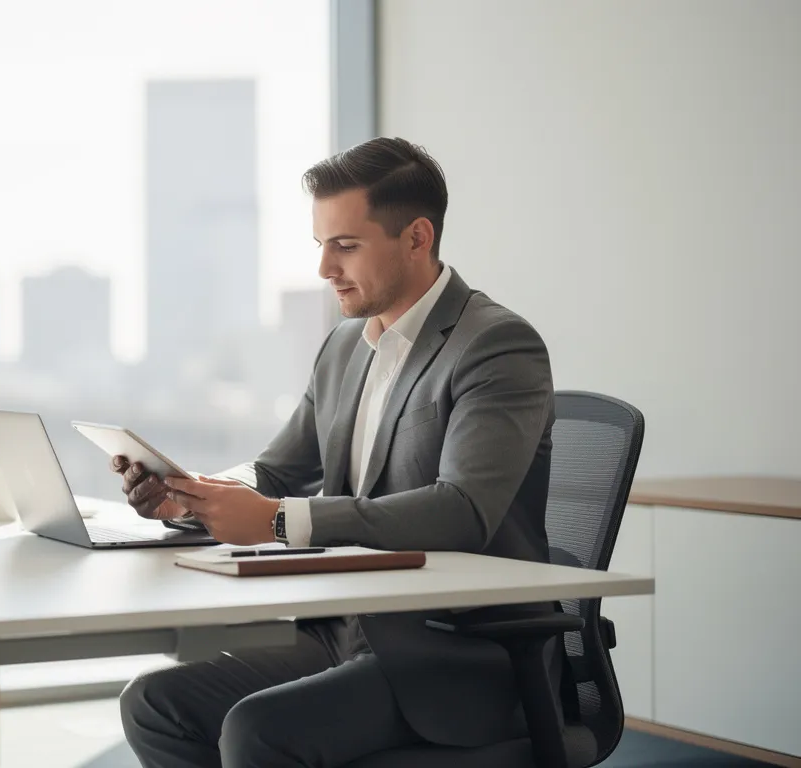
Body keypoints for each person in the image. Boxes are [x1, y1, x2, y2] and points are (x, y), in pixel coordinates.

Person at [113, 137, 559, 767]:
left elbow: (461, 511)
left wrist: (274, 519)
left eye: (345, 246)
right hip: (348, 636)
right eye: (320, 245)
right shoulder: (344, 347)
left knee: (256, 731)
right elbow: (276, 469)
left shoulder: (496, 346)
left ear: (416, 238)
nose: (325, 268)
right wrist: (195, 493)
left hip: (457, 658)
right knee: (154, 703)